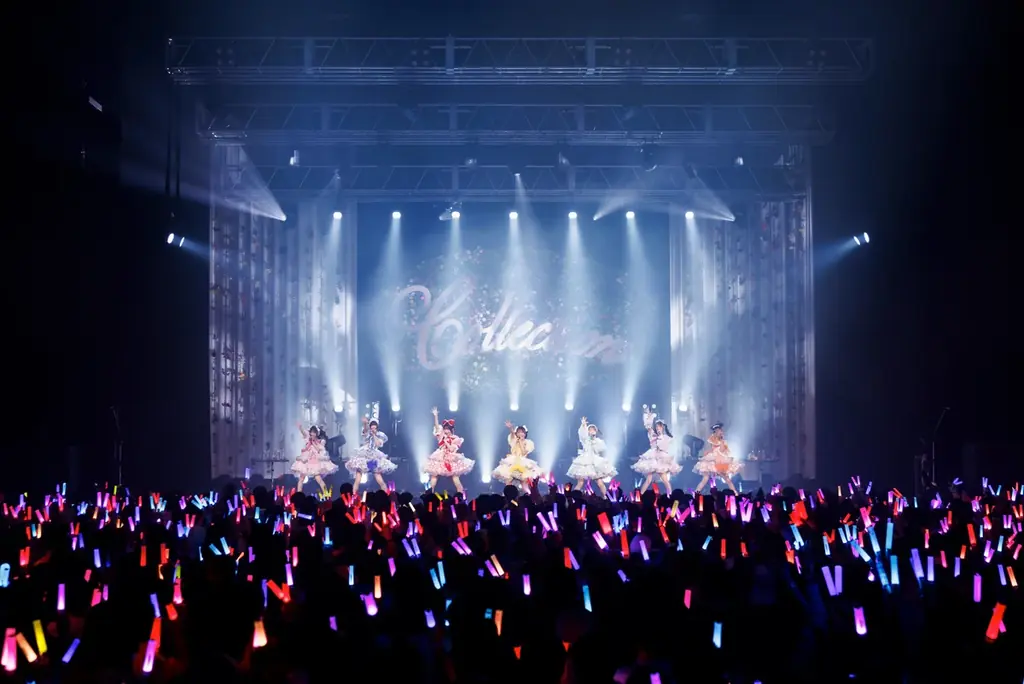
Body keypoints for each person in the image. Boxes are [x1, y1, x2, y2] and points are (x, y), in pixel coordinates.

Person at [424, 407, 475, 494]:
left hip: (451, 457)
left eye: (447, 429)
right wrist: (435, 416)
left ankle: (460, 494)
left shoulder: (456, 439)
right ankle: (429, 494)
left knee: (455, 477)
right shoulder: (441, 436)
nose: (445, 430)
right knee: (434, 476)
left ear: (451, 430)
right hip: (440, 456)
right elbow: (437, 427)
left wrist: (446, 442)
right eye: (445, 429)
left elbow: (452, 449)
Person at [631, 406, 681, 494]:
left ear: (662, 427)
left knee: (665, 480)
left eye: (659, 426)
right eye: (657, 426)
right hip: (653, 457)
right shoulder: (652, 434)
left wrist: (661, 438)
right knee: (648, 479)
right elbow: (648, 426)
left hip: (661, 458)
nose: (658, 428)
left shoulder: (666, 437)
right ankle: (641, 496)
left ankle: (670, 496)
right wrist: (647, 415)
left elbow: (666, 447)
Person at [346, 417, 397, 495]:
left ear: (377, 427)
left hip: (373, 456)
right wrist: (365, 423)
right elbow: (365, 430)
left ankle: (386, 495)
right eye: (371, 426)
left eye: (374, 426)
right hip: (364, 455)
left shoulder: (380, 435)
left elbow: (378, 444)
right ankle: (354, 495)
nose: (373, 427)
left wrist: (374, 435)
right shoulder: (367, 433)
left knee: (377, 475)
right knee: (358, 477)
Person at [566, 416, 616, 496]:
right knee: (580, 482)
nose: (592, 431)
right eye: (590, 429)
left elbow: (600, 449)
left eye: (593, 429)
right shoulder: (585, 439)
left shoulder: (598, 441)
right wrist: (583, 425)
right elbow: (582, 434)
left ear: (596, 431)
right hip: (585, 461)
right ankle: (574, 497)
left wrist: (594, 441)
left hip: (595, 462)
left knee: (599, 482)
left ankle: (605, 497)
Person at [493, 421, 542, 494]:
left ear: (525, 434)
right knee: (508, 479)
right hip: (512, 461)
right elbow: (512, 434)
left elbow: (524, 452)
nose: (520, 433)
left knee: (524, 481)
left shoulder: (528, 442)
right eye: (518, 432)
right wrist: (511, 428)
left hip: (523, 462)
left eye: (522, 432)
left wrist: (521, 442)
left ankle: (528, 496)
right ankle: (508, 495)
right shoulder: (514, 440)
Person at [291, 423, 337, 495]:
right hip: (306, 461)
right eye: (311, 432)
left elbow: (319, 450)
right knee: (301, 479)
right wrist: (300, 428)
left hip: (315, 462)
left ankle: (326, 495)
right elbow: (303, 433)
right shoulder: (307, 440)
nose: (312, 434)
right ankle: (298, 496)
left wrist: (313, 443)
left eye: (313, 432)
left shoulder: (320, 441)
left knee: (319, 479)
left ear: (316, 434)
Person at [693, 422, 739, 492]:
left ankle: (735, 493)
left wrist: (722, 442)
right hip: (713, 459)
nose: (722, 432)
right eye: (720, 430)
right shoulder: (713, 439)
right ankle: (697, 492)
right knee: (705, 478)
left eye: (721, 430)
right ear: (716, 431)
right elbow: (715, 449)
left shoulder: (722, 441)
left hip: (720, 459)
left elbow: (723, 450)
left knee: (727, 479)